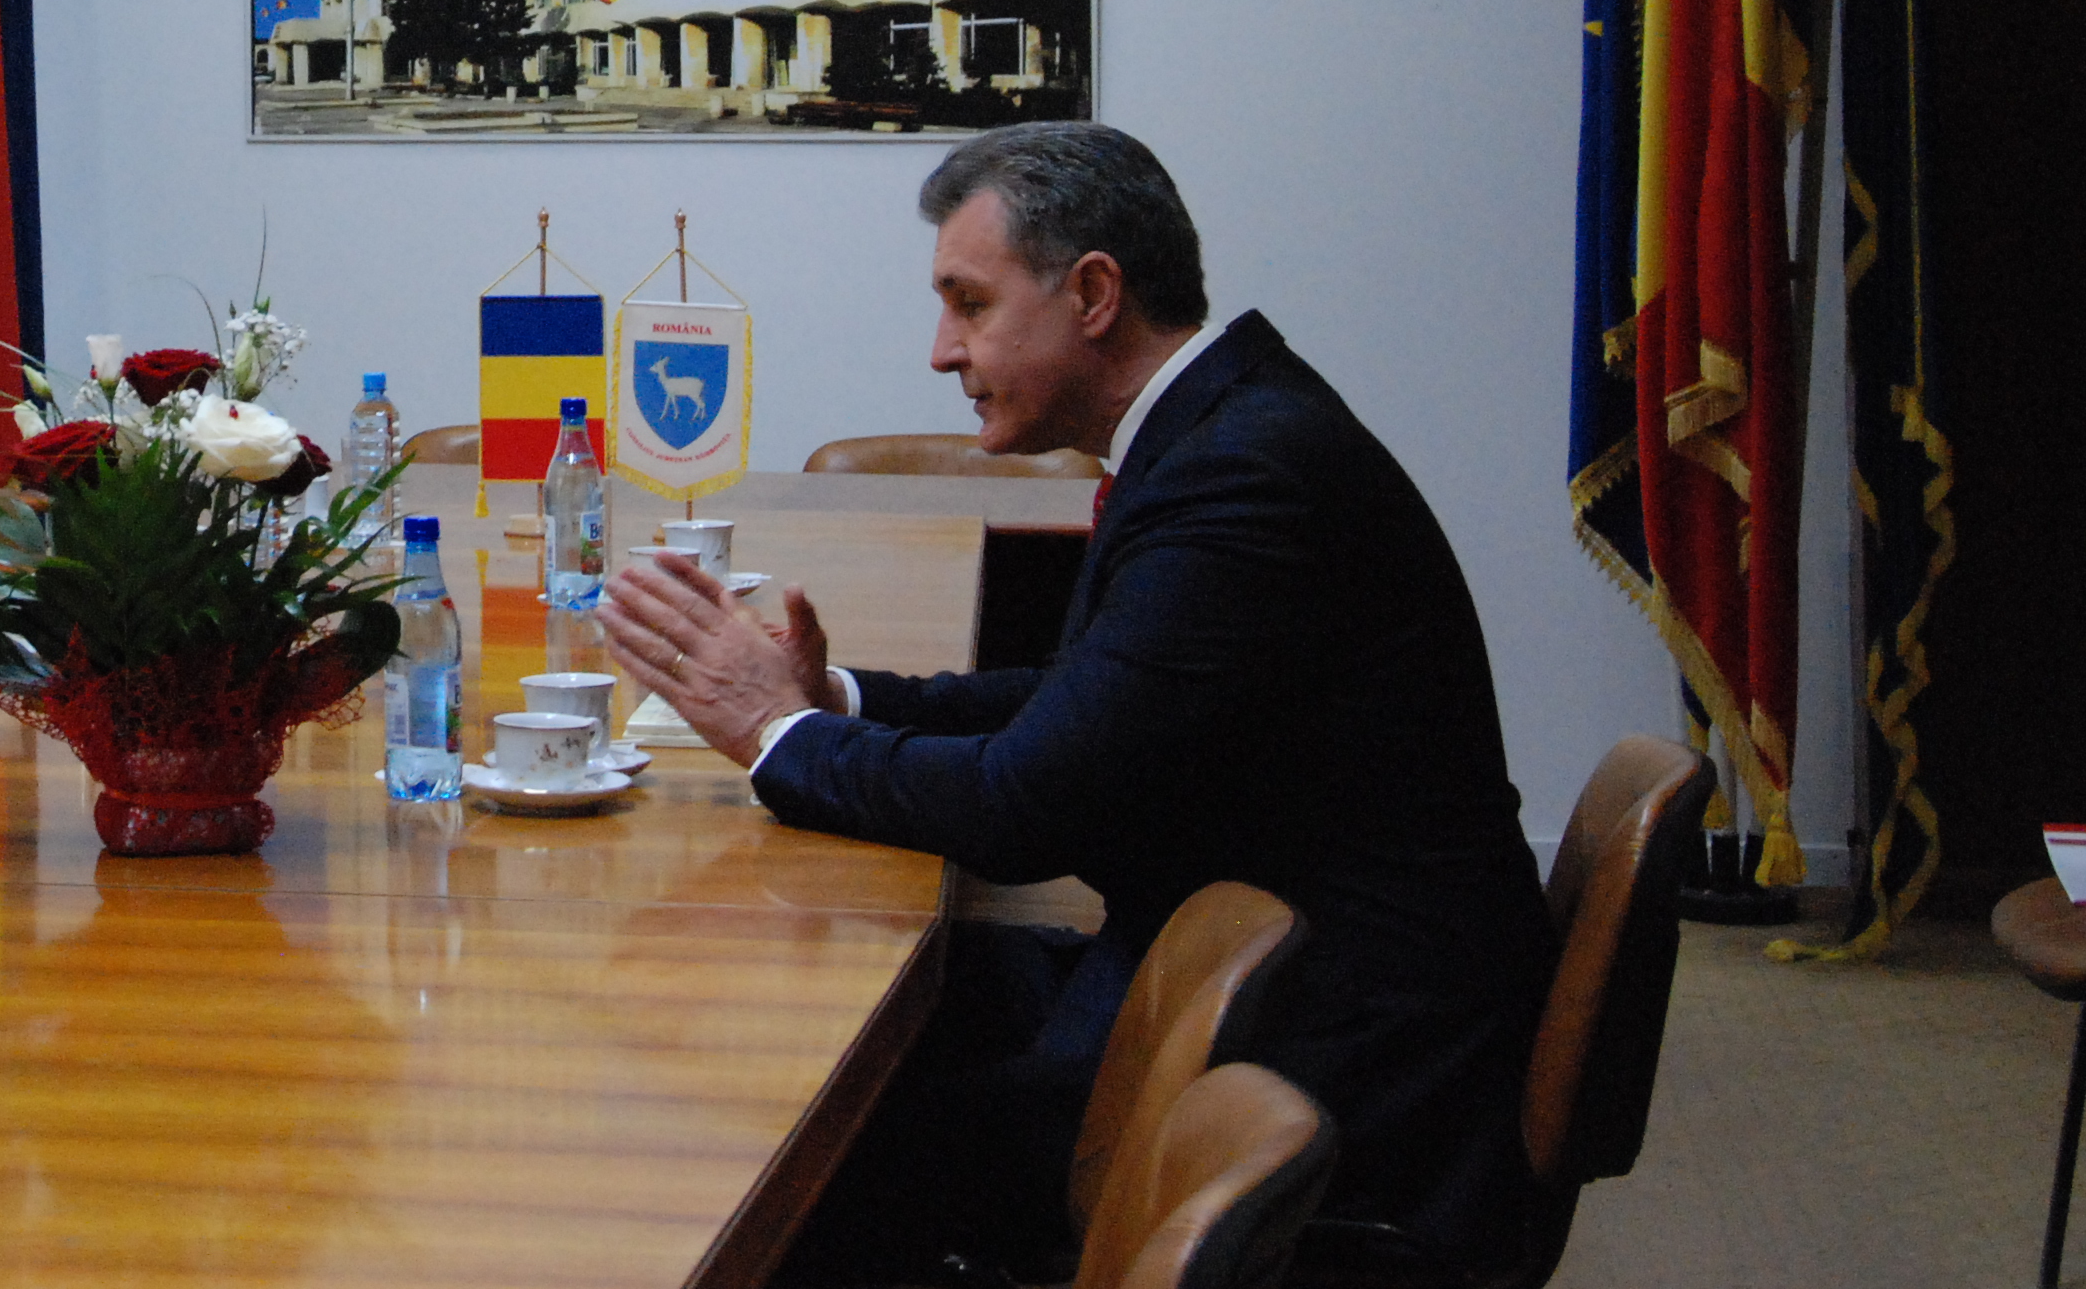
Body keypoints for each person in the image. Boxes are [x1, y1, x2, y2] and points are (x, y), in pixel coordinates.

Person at [601, 122, 1553, 1283]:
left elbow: (1023, 811)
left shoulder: (1242, 473)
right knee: (827, 1005)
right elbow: (1079, 699)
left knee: (784, 1134)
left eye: (968, 304)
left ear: (1092, 294)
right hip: (1255, 970)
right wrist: (833, 698)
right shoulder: (1224, 427)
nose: (941, 353)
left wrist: (774, 733)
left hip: (1341, 1055)